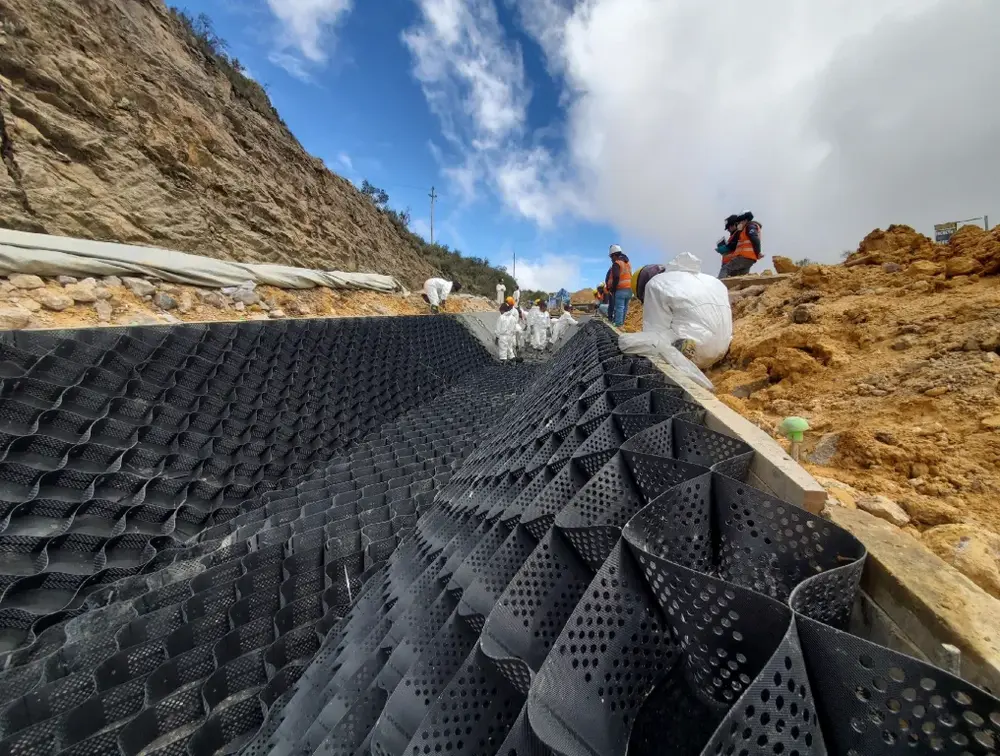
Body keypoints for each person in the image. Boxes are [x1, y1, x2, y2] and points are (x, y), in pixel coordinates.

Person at [717, 212, 763, 278]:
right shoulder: (742, 231)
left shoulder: (748, 227)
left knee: (725, 269)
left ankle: (718, 284)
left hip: (743, 257)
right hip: (748, 258)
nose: (728, 230)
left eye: (739, 222)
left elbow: (754, 239)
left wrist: (758, 252)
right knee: (741, 277)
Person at [604, 244, 633, 327]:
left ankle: (618, 324)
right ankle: (622, 323)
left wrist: (613, 288)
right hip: (629, 289)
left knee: (619, 307)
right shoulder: (627, 263)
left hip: (621, 289)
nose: (611, 259)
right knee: (625, 308)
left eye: (611, 257)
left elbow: (616, 277)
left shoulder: (617, 263)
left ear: (614, 255)